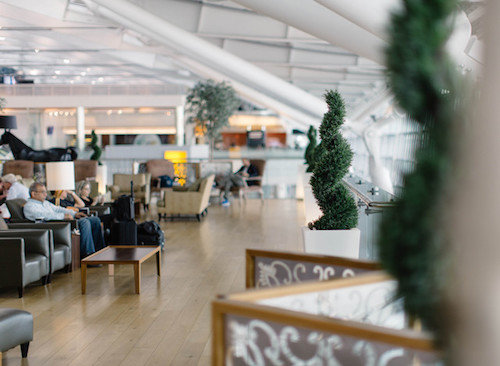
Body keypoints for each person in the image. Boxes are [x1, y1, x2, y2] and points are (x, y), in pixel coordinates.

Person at [23, 182, 106, 258]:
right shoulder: (29, 206)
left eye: (45, 191)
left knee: (95, 220)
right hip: (55, 227)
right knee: (84, 222)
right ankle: (87, 255)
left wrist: (74, 213)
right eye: (43, 192)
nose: (45, 194)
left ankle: (99, 252)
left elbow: (59, 209)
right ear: (33, 193)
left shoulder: (45, 203)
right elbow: (45, 216)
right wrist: (63, 216)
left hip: (61, 222)